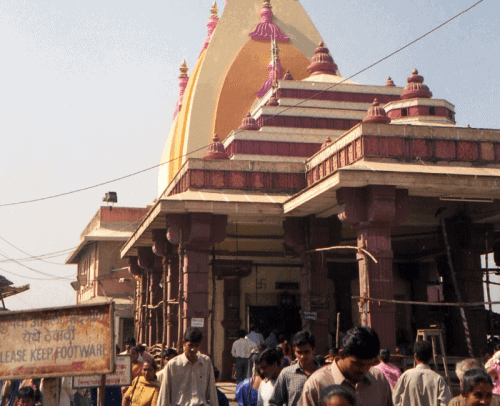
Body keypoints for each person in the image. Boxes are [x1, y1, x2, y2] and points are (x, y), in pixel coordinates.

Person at [299, 326, 392, 406]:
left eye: (368, 364)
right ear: (342, 354)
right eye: (358, 363)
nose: (363, 370)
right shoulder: (316, 384)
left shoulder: (379, 380)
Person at [156, 327, 217, 406]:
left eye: (196, 346)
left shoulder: (206, 362)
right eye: (190, 345)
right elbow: (164, 395)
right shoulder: (173, 365)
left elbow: (212, 392)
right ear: (183, 343)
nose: (193, 349)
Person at [392, 340, 451, 406]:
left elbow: (395, 399)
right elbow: (445, 403)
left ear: (415, 356)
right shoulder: (438, 379)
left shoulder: (406, 376)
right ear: (431, 357)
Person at [270, 331, 320, 406]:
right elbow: (274, 402)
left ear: (314, 350)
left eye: (306, 352)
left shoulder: (323, 374)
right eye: (299, 352)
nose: (303, 356)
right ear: (294, 351)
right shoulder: (286, 374)